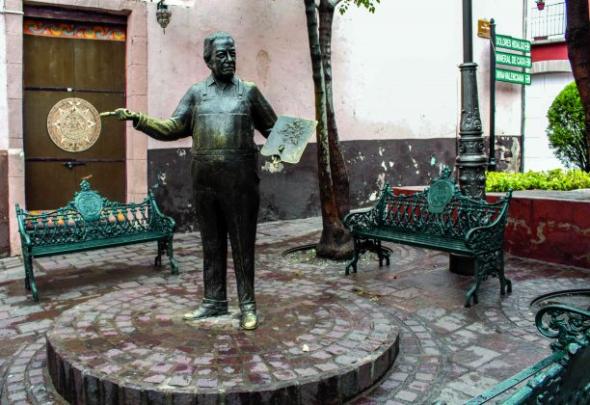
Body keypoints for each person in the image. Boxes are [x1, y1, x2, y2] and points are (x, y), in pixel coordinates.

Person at [102, 32, 277, 330]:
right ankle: (214, 301)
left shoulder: (248, 92)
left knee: (243, 246)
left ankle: (248, 304)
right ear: (208, 59)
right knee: (210, 244)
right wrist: (138, 119)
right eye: (221, 55)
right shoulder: (197, 93)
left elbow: (274, 128)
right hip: (205, 184)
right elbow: (173, 126)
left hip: (241, 185)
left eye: (232, 53)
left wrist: (290, 145)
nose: (229, 59)